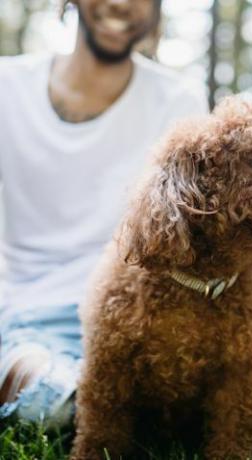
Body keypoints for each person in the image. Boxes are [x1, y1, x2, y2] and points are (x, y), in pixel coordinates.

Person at [0, 0, 207, 428]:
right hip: (28, 316)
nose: (120, 4)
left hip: (134, 318)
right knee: (49, 399)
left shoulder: (178, 100)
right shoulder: (8, 86)